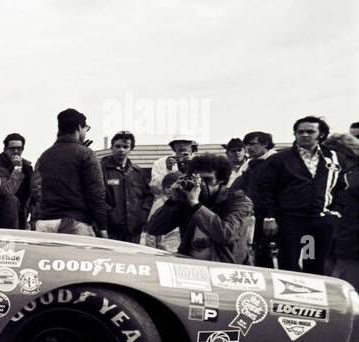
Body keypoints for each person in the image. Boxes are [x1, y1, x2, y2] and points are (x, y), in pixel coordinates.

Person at [252, 116, 342, 274]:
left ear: (320, 134)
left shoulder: (332, 158)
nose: (305, 135)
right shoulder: (280, 159)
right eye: (301, 132)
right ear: (295, 134)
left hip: (318, 221)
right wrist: (269, 217)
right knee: (289, 264)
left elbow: (341, 187)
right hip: (290, 220)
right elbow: (265, 190)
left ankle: (312, 297)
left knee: (313, 262)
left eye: (310, 131)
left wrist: (336, 211)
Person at [145, 154, 253, 263]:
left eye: (207, 179)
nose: (201, 184)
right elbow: (154, 228)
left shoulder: (239, 201)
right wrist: (173, 201)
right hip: (192, 265)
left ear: (221, 179)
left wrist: (196, 205)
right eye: (197, 179)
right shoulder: (187, 199)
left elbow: (227, 234)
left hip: (225, 265)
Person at [29, 108, 108, 236]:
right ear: (79, 127)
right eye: (85, 128)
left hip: (44, 223)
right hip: (75, 222)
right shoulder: (86, 154)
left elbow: (35, 190)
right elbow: (96, 193)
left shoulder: (45, 156)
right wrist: (102, 226)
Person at [232, 131, 276, 266]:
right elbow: (236, 186)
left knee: (269, 253)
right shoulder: (250, 163)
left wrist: (271, 217)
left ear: (265, 144)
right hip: (254, 214)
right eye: (246, 145)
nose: (248, 148)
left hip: (272, 216)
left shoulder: (277, 161)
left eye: (252, 144)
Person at [100, 131, 152, 243]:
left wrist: (142, 215)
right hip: (111, 229)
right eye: (117, 146)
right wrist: (110, 213)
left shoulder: (138, 172)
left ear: (131, 149)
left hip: (134, 229)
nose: (121, 150)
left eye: (125, 146)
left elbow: (148, 196)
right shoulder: (101, 170)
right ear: (111, 147)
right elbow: (96, 196)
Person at [146, 137, 197, 252]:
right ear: (172, 146)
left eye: (185, 142)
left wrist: (191, 165)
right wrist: (168, 170)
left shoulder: (198, 161)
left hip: (190, 206)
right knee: (158, 242)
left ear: (191, 145)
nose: (181, 145)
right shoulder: (160, 162)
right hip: (167, 204)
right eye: (177, 143)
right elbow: (154, 187)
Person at [324, 130, 359, 287]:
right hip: (330, 241)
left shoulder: (354, 176)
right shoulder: (332, 173)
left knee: (347, 290)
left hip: (351, 245)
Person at [0, 134, 34, 230]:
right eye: (12, 149)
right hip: (2, 216)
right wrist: (17, 169)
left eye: (19, 149)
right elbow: (7, 191)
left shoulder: (27, 167)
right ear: (5, 149)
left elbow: (32, 194)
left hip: (22, 214)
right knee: (11, 199)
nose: (16, 152)